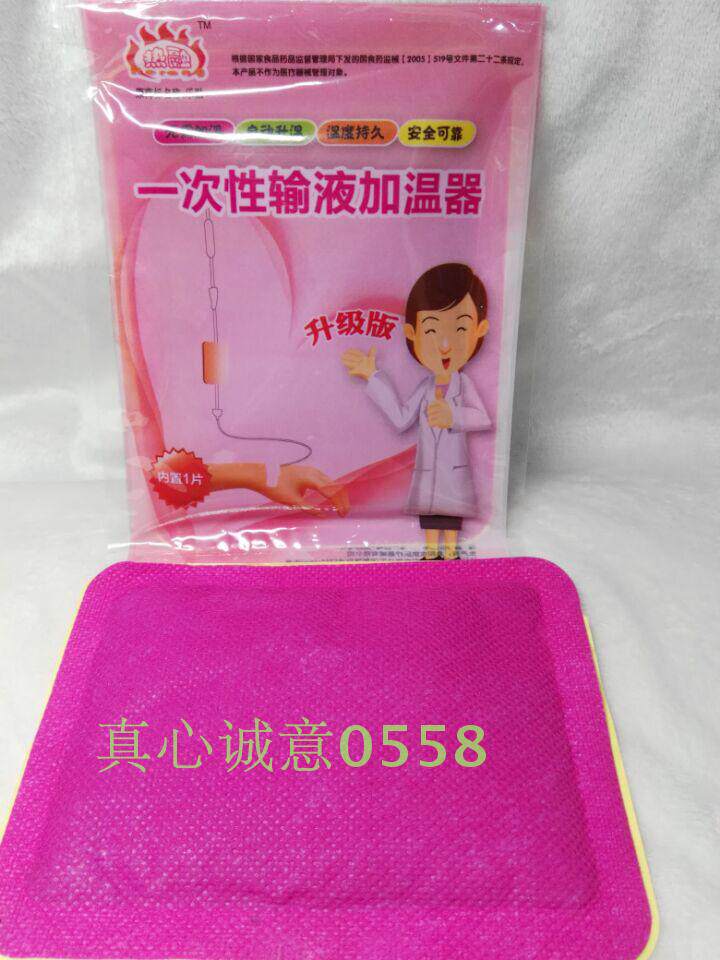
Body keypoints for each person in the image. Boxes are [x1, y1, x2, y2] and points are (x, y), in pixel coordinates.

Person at [342, 263, 491, 559]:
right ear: (412, 334)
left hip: (454, 473)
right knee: (431, 515)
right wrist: (373, 377)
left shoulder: (464, 385)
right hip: (429, 473)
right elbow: (401, 417)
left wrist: (453, 416)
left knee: (451, 515)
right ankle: (431, 553)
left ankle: (451, 553)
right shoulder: (425, 387)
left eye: (460, 329)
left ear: (479, 330)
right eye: (432, 330)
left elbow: (482, 418)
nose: (445, 345)